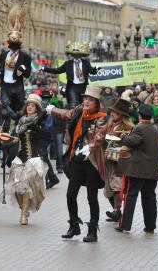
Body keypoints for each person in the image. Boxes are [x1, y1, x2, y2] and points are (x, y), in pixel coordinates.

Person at [47, 85, 107, 242]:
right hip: (76, 161)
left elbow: (100, 136)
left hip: (91, 163)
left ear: (96, 102)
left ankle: (92, 230)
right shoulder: (80, 111)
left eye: (90, 99)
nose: (86, 101)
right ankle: (74, 225)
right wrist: (51, 109)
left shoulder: (101, 117)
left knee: (91, 198)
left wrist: (90, 146)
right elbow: (67, 114)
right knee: (70, 194)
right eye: (85, 98)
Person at [115, 104, 158, 233]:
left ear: (140, 115)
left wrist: (123, 137)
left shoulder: (139, 128)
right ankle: (150, 225)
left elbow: (132, 141)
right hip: (151, 170)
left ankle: (125, 225)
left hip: (137, 170)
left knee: (131, 196)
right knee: (149, 198)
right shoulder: (155, 129)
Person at [5, 94, 48, 226]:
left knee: (27, 188)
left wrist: (38, 124)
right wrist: (12, 138)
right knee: (16, 188)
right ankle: (23, 209)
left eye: (33, 105)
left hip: (32, 159)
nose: (30, 107)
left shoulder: (39, 121)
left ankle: (23, 215)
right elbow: (15, 134)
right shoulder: (21, 121)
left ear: (37, 108)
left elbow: (42, 132)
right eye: (28, 105)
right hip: (19, 158)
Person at [0, 5, 31, 120]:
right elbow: (1, 67)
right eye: (12, 38)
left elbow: (28, 72)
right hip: (5, 84)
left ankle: (16, 123)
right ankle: (10, 119)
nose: (14, 40)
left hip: (17, 85)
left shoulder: (25, 56)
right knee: (5, 105)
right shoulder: (4, 54)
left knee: (20, 103)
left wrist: (23, 70)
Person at [41, 42, 98, 108]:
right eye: (74, 54)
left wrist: (97, 68)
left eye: (78, 54)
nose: (76, 56)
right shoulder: (68, 63)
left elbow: (92, 71)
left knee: (84, 106)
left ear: (81, 54)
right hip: (73, 87)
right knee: (73, 106)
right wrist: (44, 68)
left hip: (84, 87)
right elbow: (57, 70)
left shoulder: (86, 63)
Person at [104, 99, 134, 222]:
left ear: (121, 114)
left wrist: (115, 150)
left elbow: (129, 146)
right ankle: (117, 213)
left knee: (117, 186)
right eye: (112, 111)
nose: (112, 114)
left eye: (115, 112)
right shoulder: (111, 124)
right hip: (108, 160)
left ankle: (117, 211)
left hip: (120, 161)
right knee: (108, 189)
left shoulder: (129, 127)